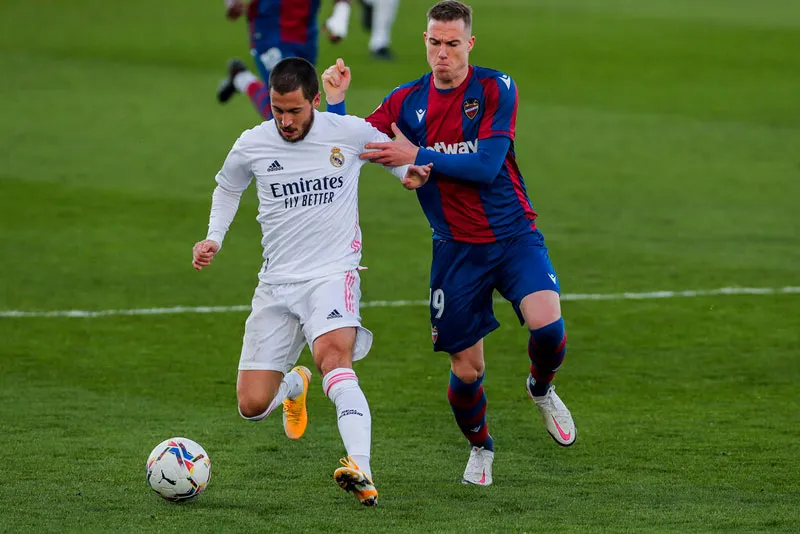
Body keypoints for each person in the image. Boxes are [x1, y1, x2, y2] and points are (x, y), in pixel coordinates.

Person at [321, 0, 577, 487]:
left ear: (469, 44)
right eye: (435, 43)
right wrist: (336, 102)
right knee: (467, 370)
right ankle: (481, 447)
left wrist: (416, 154)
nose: (443, 53)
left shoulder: (495, 88)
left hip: (513, 234)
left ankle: (540, 389)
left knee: (548, 329)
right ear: (425, 41)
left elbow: (484, 167)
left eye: (453, 44)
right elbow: (356, 143)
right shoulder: (405, 100)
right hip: (456, 250)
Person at [193, 57, 431, 505]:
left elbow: (393, 155)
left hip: (332, 273)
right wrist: (213, 239)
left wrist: (409, 173)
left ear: (315, 102)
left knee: (335, 358)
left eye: (294, 111)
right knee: (252, 407)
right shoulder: (253, 144)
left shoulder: (348, 132)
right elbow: (228, 187)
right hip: (276, 284)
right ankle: (294, 385)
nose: (284, 121)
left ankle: (360, 465)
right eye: (277, 110)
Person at [216, 0, 353, 119]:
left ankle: (240, 77)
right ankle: (241, 78)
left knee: (300, 101)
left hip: (306, 35)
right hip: (270, 32)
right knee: (287, 106)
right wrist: (231, 3)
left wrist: (340, 17)